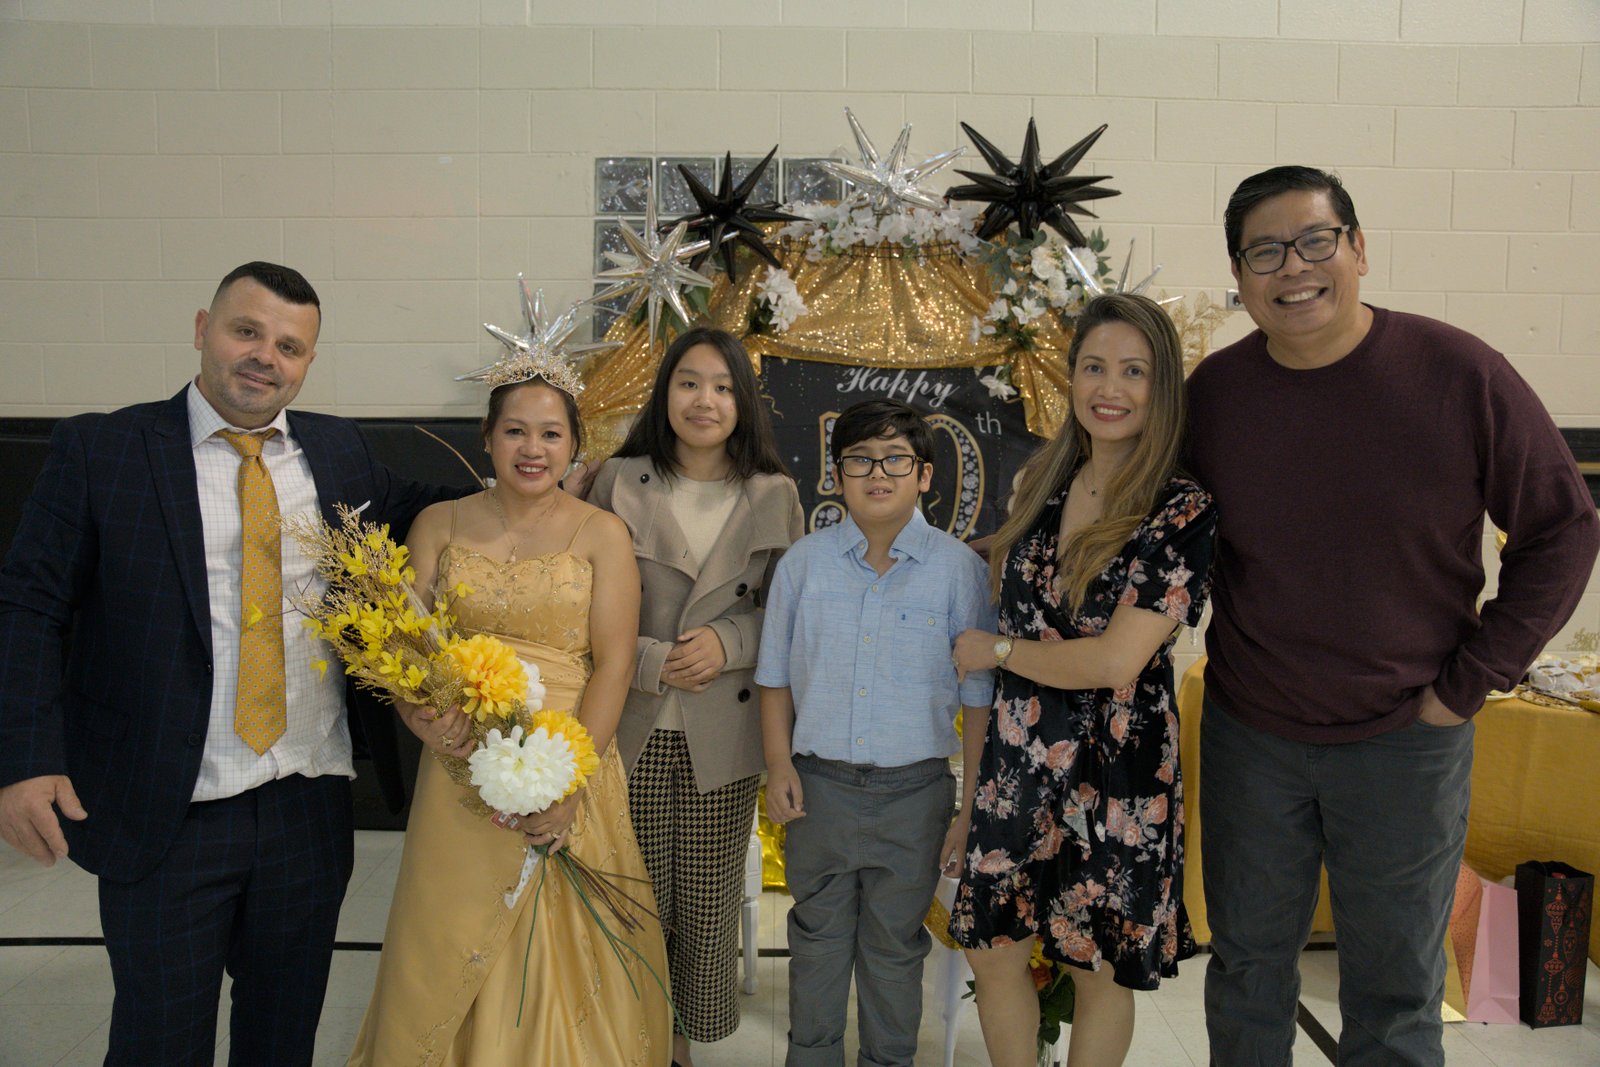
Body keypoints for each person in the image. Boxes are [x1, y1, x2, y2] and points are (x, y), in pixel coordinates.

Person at [1187, 165, 1600, 1067]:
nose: (1294, 267)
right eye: (1265, 252)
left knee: (1395, 993)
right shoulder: (1214, 396)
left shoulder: (1460, 373)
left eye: (1315, 240)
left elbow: (1565, 528)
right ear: (1240, 275)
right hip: (1252, 735)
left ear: (1359, 249)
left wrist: (1470, 683)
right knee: (1247, 971)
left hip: (1407, 739)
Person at [0, 262, 456, 1065]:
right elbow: (27, 605)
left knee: (281, 1039)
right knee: (159, 1041)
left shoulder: (338, 448)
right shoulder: (104, 449)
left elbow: (437, 505)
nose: (264, 357)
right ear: (203, 327)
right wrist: (26, 760)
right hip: (167, 807)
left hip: (307, 804)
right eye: (247, 331)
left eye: (289, 345)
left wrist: (565, 481)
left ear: (308, 361)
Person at [347, 366, 672, 1065]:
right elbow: (402, 644)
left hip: (567, 752)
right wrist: (417, 713)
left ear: (575, 445)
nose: (533, 448)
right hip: (459, 758)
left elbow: (615, 663)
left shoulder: (602, 532)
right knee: (449, 924)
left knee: (564, 933)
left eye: (551, 434)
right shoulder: (439, 522)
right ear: (488, 438)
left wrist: (571, 780)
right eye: (516, 431)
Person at [948, 293, 1217, 1067]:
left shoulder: (1181, 509)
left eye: (1134, 371)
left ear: (1162, 387)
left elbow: (1113, 661)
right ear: (1070, 377)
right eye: (1094, 366)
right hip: (1018, 761)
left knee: (1096, 966)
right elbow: (996, 576)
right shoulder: (1045, 480)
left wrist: (996, 651)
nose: (1110, 387)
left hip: (1118, 771)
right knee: (992, 947)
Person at [756, 398, 995, 1067]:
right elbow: (773, 676)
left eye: (896, 459)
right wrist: (779, 764)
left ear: (924, 475)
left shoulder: (958, 570)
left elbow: (979, 699)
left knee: (895, 946)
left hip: (915, 795)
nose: (878, 473)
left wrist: (968, 809)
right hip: (819, 788)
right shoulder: (803, 564)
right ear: (837, 475)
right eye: (860, 460)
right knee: (816, 940)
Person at [589, 326, 804, 1067]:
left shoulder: (774, 492)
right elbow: (581, 600)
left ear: (743, 402)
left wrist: (728, 641)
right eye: (688, 382)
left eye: (721, 386)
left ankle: (683, 1042)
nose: (704, 400)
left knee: (707, 904)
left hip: (725, 729)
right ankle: (637, 1040)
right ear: (665, 393)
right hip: (633, 719)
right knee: (632, 893)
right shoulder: (619, 480)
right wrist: (653, 660)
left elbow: (788, 610)